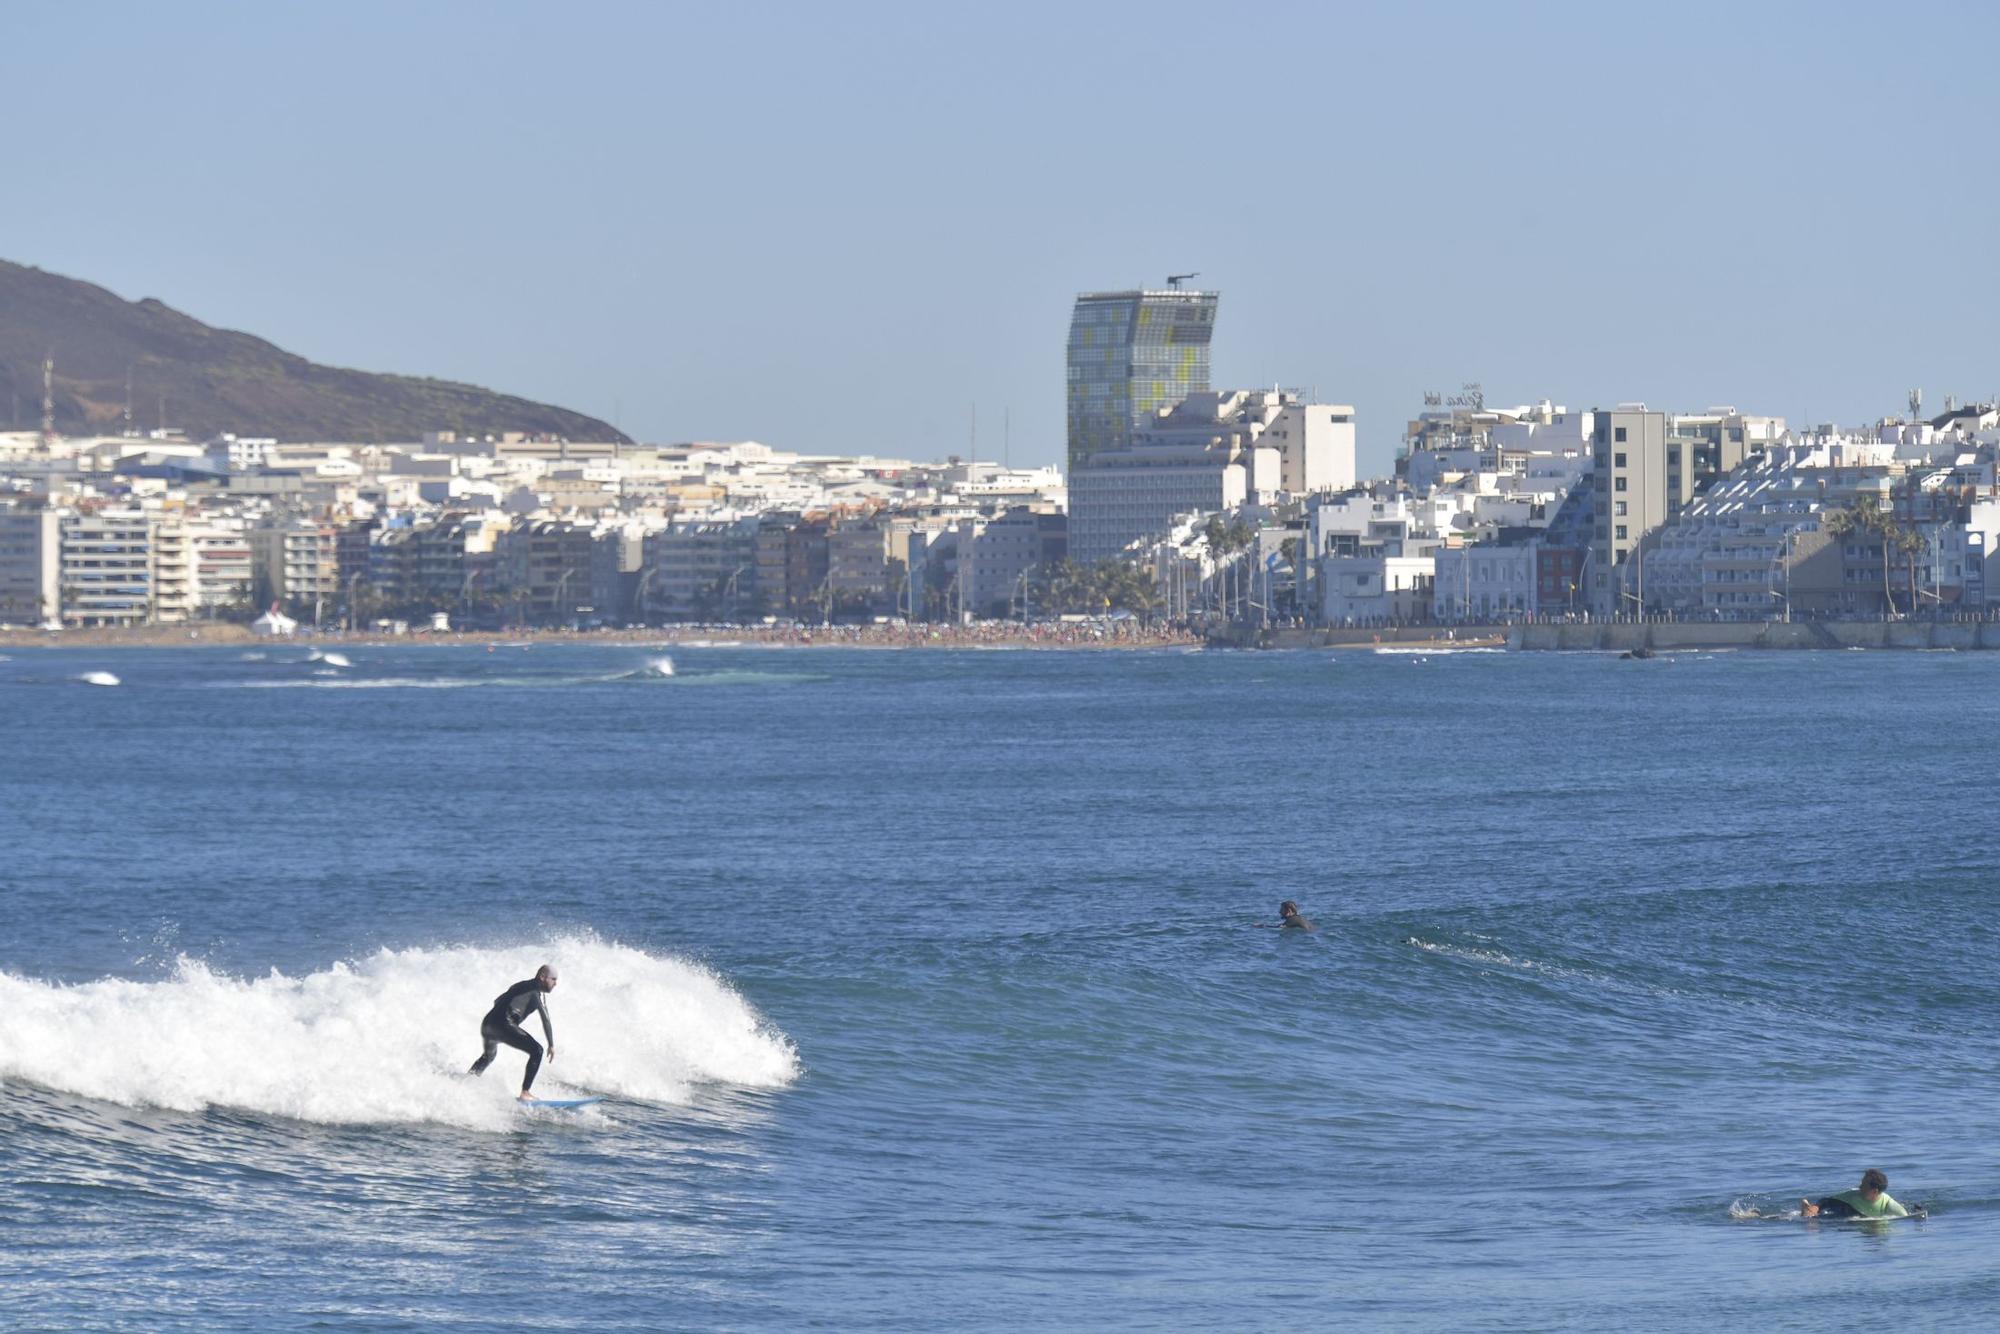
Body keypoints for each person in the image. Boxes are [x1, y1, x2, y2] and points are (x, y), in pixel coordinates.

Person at [469, 964, 558, 1099]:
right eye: (553, 979)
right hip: (504, 1024)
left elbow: (497, 1000)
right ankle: (525, 1092)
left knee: (488, 1057)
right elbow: (546, 1020)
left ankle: (467, 1081)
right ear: (542, 977)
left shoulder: (520, 985)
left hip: (488, 1024)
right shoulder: (535, 992)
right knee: (537, 1050)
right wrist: (551, 1045)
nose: (555, 984)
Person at [1801, 1168, 1918, 1219]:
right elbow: (1827, 1201)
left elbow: (1906, 1218)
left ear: (1874, 1191)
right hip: (1850, 1215)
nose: (1859, 1186)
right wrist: (1816, 1207)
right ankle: (1807, 1209)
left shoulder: (1889, 1205)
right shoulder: (1853, 1195)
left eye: (1864, 1185)